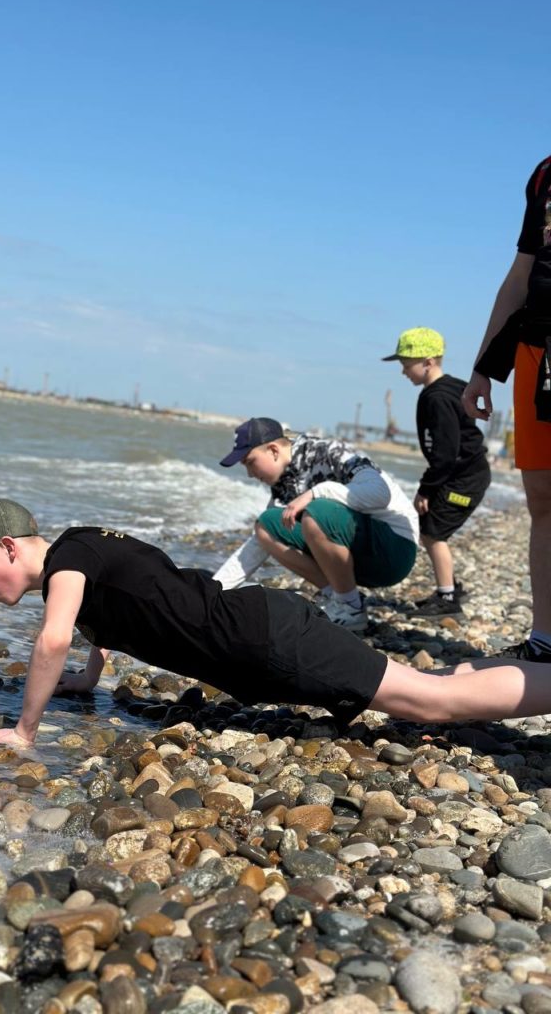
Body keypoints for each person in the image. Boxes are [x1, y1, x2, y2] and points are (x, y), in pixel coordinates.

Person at [0, 498, 551, 747]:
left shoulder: (70, 561)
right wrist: (87, 680)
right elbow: (101, 628)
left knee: (430, 703)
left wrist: (24, 730)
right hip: (262, 635)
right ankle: (528, 669)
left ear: (10, 546)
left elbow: (56, 637)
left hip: (270, 640)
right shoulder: (80, 558)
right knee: (437, 681)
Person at [461, 154, 551, 661]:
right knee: (543, 499)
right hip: (536, 349)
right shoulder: (544, 174)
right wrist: (482, 368)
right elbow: (521, 273)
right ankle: (546, 640)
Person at [212, 418, 419, 633]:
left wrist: (316, 492)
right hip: (359, 559)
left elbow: (380, 493)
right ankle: (341, 599)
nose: (249, 474)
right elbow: (257, 546)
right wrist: (214, 591)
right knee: (266, 525)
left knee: (318, 513)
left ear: (273, 450)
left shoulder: (329, 451)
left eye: (249, 462)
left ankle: (351, 610)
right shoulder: (284, 486)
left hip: (395, 550)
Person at [382, 327, 491, 617]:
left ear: (428, 362)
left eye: (407, 366)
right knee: (430, 526)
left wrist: (426, 488)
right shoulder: (454, 387)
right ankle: (450, 587)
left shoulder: (437, 397)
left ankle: (448, 599)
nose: (404, 373)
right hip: (464, 472)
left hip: (464, 477)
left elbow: (446, 452)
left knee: (432, 533)